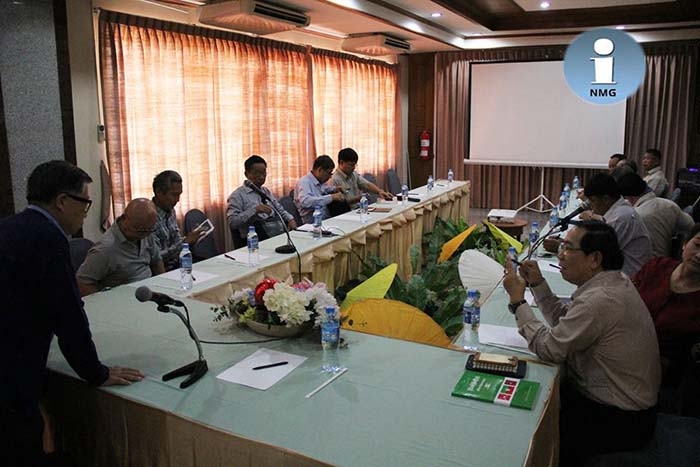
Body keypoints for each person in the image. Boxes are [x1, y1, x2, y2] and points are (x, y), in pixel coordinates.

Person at [0, 161, 144, 466]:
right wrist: (96, 372)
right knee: (22, 440)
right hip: (13, 366)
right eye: (85, 202)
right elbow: (67, 316)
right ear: (62, 201)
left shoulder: (10, 226)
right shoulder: (48, 239)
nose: (86, 212)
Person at [504, 221, 660, 466]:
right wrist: (537, 284)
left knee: (528, 429)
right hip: (618, 406)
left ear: (594, 259)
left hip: (620, 419)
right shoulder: (612, 282)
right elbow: (566, 322)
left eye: (568, 248)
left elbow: (549, 348)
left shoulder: (600, 300)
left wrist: (517, 302)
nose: (561, 255)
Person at [544, 172, 652, 276]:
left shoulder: (621, 217)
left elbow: (598, 254)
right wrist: (567, 244)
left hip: (629, 277)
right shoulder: (619, 211)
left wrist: (561, 248)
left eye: (593, 201)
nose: (590, 206)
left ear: (606, 199)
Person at [632, 223, 700, 388]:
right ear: (685, 243)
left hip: (660, 376)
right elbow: (625, 296)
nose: (699, 255)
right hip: (618, 346)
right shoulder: (658, 266)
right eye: (697, 245)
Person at [77, 198, 164, 296]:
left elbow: (157, 261)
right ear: (124, 219)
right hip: (124, 298)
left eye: (150, 230)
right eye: (141, 231)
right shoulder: (105, 249)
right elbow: (83, 282)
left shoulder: (146, 231)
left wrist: (162, 288)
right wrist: (105, 301)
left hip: (148, 292)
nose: (146, 235)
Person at [618, 172, 694, 257]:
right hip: (667, 260)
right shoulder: (670, 205)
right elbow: (691, 226)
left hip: (644, 262)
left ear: (628, 197)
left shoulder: (634, 216)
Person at [227, 155, 297, 242]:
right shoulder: (237, 196)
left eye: (263, 173)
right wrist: (255, 210)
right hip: (252, 240)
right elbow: (233, 223)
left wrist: (290, 219)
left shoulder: (265, 191)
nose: (261, 177)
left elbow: (279, 209)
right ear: (246, 174)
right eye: (256, 173)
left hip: (273, 233)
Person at [151, 170, 205, 271]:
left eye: (179, 194)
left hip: (179, 262)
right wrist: (185, 243)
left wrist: (190, 239)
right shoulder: (149, 217)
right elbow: (156, 257)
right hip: (163, 270)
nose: (178, 199)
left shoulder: (170, 210)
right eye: (174, 195)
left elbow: (176, 240)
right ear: (159, 192)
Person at [294, 155, 345, 224]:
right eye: (329, 173)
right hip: (312, 223)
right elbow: (306, 202)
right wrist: (331, 197)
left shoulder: (319, 181)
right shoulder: (304, 182)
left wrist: (335, 189)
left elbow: (324, 189)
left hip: (325, 219)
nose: (330, 177)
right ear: (320, 170)